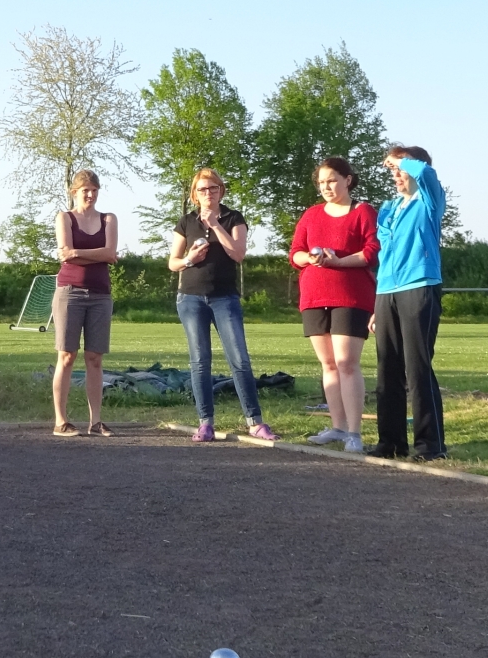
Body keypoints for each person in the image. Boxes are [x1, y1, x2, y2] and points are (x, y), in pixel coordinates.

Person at [168, 168, 278, 442]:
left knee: (239, 359)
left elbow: (238, 254)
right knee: (200, 361)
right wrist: (190, 259)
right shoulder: (186, 222)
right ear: (195, 195)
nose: (208, 193)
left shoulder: (233, 218)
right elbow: (173, 262)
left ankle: (255, 422)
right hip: (191, 298)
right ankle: (205, 423)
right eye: (203, 189)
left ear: (221, 191)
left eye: (213, 188)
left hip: (224, 298)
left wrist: (216, 225)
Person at [289, 157, 380, 453]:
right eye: (321, 182)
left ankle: (354, 432)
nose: (326, 187)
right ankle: (337, 427)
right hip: (314, 296)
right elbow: (295, 253)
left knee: (346, 364)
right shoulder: (312, 214)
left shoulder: (362, 211)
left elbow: (372, 251)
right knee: (328, 364)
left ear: (347, 180)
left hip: (351, 297)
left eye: (332, 181)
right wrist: (310, 258)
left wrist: (339, 261)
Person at [370, 144, 446, 461]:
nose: (396, 175)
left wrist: (403, 161)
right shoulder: (389, 208)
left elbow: (426, 173)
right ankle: (391, 442)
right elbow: (385, 255)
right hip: (387, 291)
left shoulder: (430, 201)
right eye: (393, 170)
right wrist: (379, 303)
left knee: (417, 368)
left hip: (420, 286)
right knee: (387, 368)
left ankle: (430, 445)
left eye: (401, 169)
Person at [51, 170, 119, 436]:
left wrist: (76, 252)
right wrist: (98, 255)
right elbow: (65, 257)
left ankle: (96, 422)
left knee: (95, 358)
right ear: (74, 192)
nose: (90, 195)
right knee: (67, 356)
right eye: (85, 190)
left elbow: (109, 253)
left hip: (101, 294)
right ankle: (61, 421)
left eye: (94, 190)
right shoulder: (64, 218)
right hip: (70, 293)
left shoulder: (108, 219)